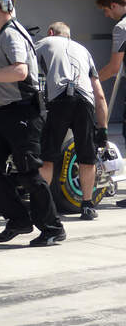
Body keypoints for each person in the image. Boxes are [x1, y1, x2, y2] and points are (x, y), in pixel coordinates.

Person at [0, 0, 65, 247]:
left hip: (22, 110)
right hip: (1, 111)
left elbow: (20, 71)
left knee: (28, 173)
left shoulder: (12, 34)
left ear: (4, 6)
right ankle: (19, 220)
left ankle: (53, 228)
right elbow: (1, 65)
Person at [36, 22, 108, 220]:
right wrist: (102, 129)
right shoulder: (84, 50)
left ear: (51, 32)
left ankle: (44, 208)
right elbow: (99, 94)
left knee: (48, 155)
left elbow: (24, 71)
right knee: (87, 156)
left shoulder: (44, 42)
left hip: (60, 101)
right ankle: (87, 205)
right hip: (85, 102)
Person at [95, 0, 126, 208]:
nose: (107, 15)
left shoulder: (121, 28)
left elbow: (114, 67)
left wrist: (91, 80)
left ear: (114, 5)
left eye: (106, 11)